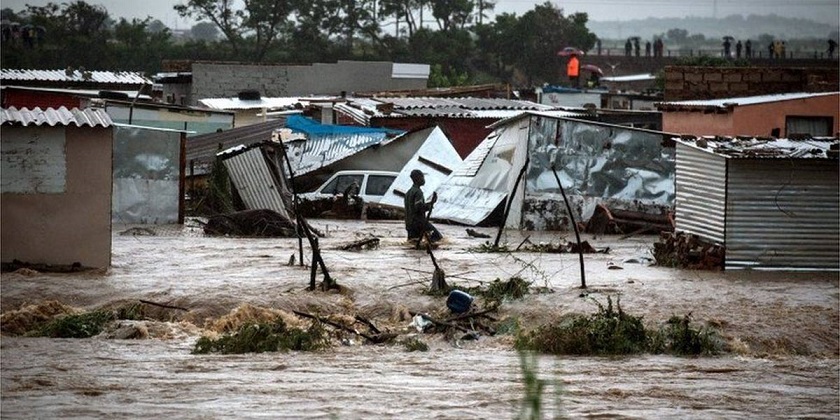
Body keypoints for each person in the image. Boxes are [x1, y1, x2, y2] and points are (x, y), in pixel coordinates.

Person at [404, 170, 442, 243]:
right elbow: (418, 208)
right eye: (422, 177)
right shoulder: (418, 192)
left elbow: (413, 207)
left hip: (409, 223)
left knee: (413, 243)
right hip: (419, 223)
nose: (423, 179)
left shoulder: (408, 193)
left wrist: (431, 202)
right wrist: (430, 205)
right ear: (417, 178)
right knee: (437, 238)